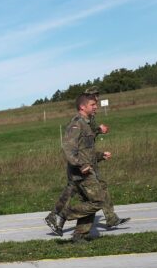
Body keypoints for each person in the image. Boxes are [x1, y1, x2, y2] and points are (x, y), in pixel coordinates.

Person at [45, 88, 128, 235]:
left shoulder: (87, 123)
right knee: (98, 200)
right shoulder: (77, 124)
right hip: (81, 171)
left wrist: (101, 155)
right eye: (92, 104)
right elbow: (68, 149)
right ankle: (61, 215)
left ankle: (79, 235)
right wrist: (81, 165)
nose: (96, 106)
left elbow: (86, 151)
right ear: (83, 107)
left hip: (87, 169)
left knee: (88, 201)